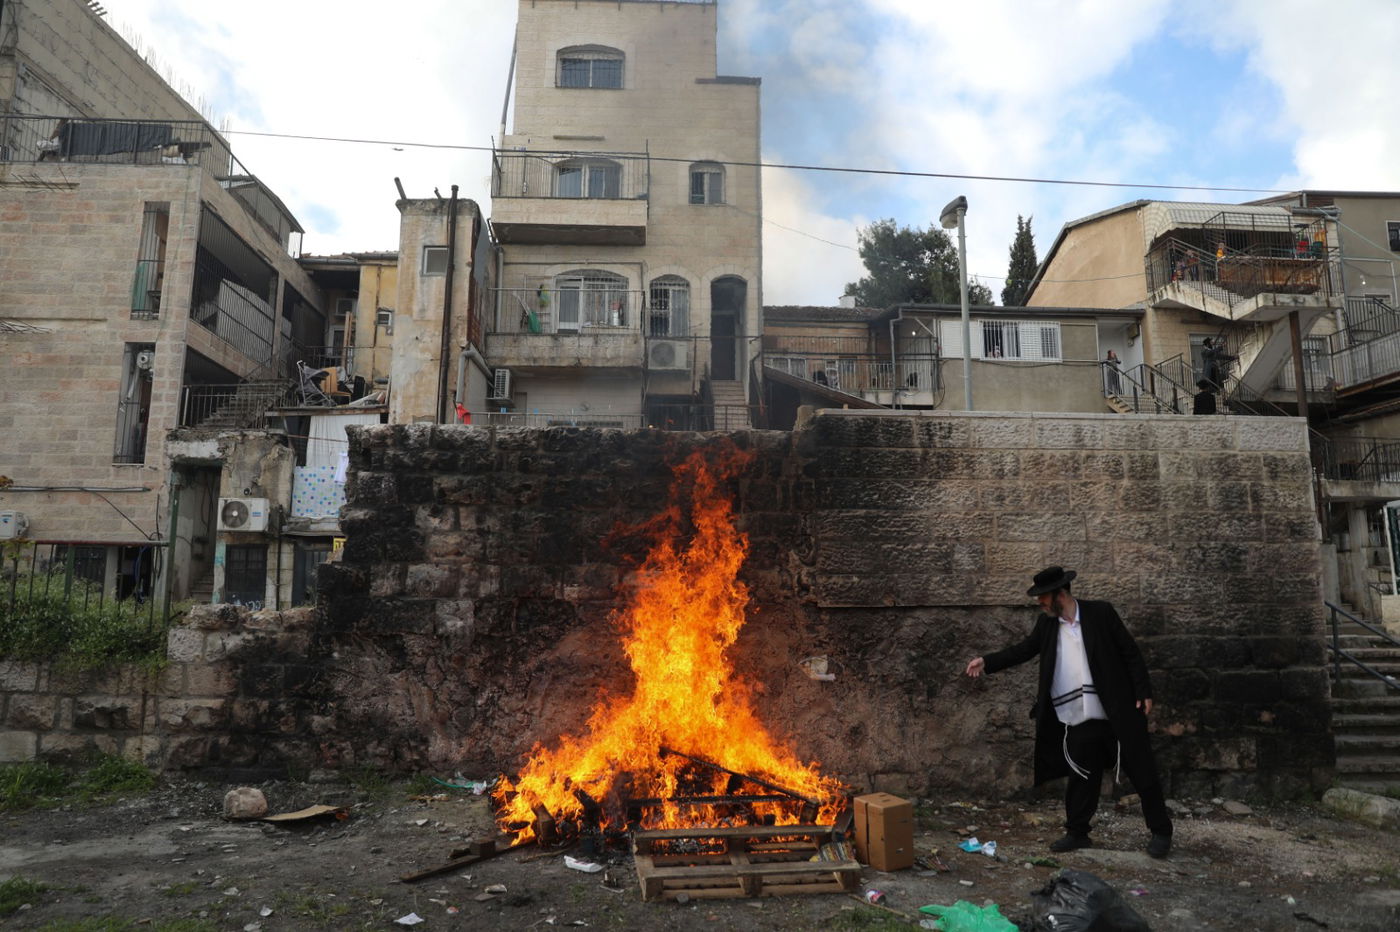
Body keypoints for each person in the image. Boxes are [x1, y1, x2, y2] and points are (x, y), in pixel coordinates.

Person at [964, 566, 1173, 858]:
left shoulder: (1101, 613)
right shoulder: (1047, 625)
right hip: (1076, 713)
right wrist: (987, 662)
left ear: (1060, 594)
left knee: (1141, 769)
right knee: (1081, 774)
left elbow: (1130, 651)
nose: (1040, 603)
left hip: (1116, 708)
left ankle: (1161, 832)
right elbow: (1023, 650)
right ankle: (1077, 833)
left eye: (1043, 597)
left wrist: (1143, 690)